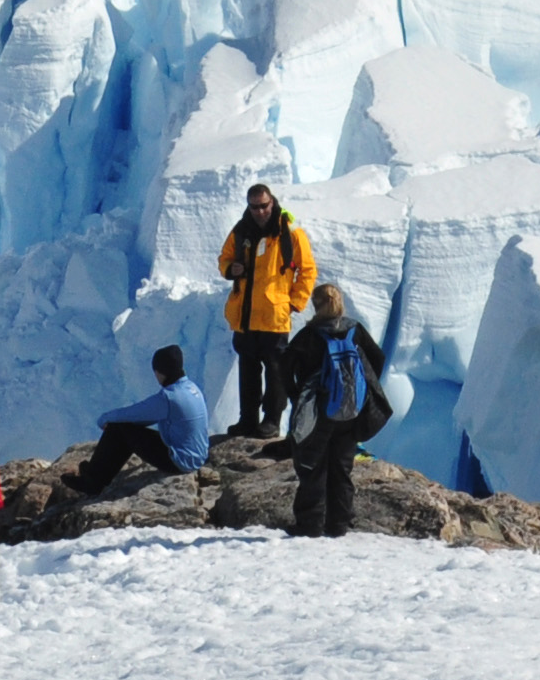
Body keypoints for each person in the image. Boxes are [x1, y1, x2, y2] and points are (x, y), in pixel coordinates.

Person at [278, 284, 392, 540]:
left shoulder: (310, 334)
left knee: (313, 465)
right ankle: (339, 523)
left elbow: (285, 364)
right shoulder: (354, 329)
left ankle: (310, 524)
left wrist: (297, 394)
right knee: (342, 468)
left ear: (316, 305)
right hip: (351, 411)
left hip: (319, 411)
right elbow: (378, 357)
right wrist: (362, 388)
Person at [217, 183, 317, 438]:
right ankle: (248, 420)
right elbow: (224, 259)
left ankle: (271, 420)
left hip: (274, 315)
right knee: (248, 369)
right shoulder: (241, 231)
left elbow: (307, 270)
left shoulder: (290, 233)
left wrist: (295, 302)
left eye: (264, 206)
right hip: (245, 314)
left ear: (272, 202)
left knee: (276, 371)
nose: (260, 211)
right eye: (255, 207)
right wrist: (231, 269)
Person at [67, 345, 214, 496]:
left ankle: (93, 481)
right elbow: (145, 417)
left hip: (180, 461)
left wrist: (105, 419)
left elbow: (134, 414)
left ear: (161, 372)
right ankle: (95, 473)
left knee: (119, 428)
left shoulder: (170, 397)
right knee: (126, 430)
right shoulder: (190, 387)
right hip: (197, 456)